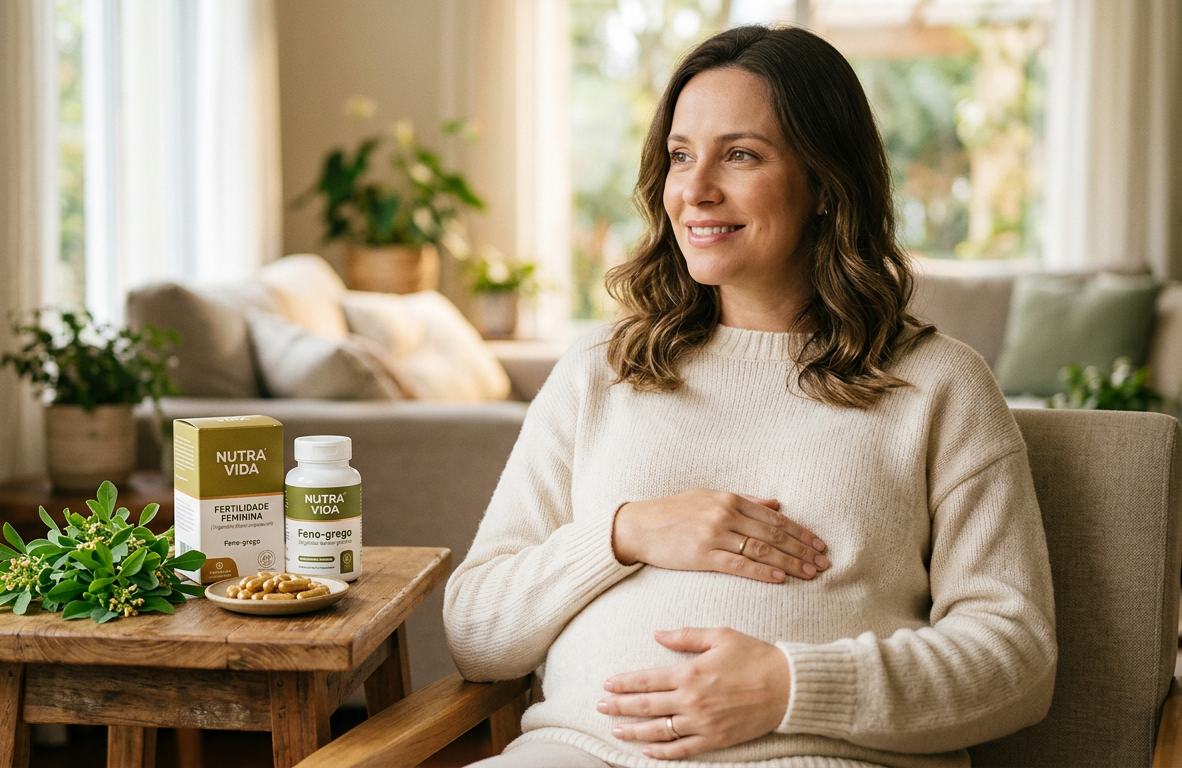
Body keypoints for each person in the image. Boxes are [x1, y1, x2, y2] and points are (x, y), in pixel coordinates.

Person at [443, 24, 1056, 768]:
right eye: (679, 156)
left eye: (740, 155)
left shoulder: (938, 385)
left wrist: (791, 686)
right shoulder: (598, 371)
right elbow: (475, 632)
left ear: (827, 185)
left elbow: (1016, 660)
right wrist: (623, 533)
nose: (695, 190)